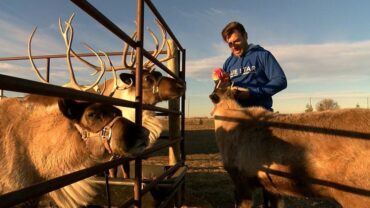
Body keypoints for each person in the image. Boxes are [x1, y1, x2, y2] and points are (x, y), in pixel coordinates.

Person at [221, 21, 287, 111]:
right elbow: (224, 92)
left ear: (245, 36)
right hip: (237, 117)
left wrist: (252, 93)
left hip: (261, 117)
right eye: (230, 44)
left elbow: (280, 81)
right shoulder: (228, 63)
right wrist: (222, 86)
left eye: (237, 41)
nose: (234, 47)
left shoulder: (262, 55)